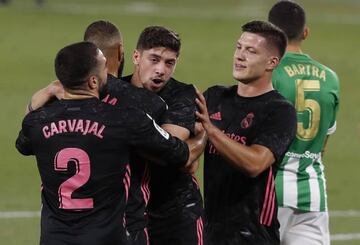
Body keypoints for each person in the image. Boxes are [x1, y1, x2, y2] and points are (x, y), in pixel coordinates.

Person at [15, 41, 198, 245]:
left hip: (54, 239)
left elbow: (23, 144)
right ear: (93, 82)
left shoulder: (36, 122)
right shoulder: (126, 119)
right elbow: (178, 153)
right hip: (107, 238)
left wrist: (48, 93)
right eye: (104, 69)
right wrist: (204, 134)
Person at [195, 20, 297, 245]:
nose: (239, 55)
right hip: (211, 233)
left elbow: (255, 164)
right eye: (239, 47)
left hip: (254, 235)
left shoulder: (280, 111)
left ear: (272, 62)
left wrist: (211, 130)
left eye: (250, 51)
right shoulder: (215, 97)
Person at [122, 25, 204, 245]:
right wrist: (197, 143)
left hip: (176, 212)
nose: (161, 70)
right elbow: (179, 155)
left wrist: (125, 137)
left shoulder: (182, 94)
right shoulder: (117, 89)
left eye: (170, 63)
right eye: (154, 59)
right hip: (130, 213)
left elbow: (170, 151)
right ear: (136, 57)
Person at [268, 2, 340, 245]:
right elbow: (324, 142)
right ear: (305, 32)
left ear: (269, 32)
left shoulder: (268, 73)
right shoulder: (330, 78)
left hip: (270, 194)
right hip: (312, 194)